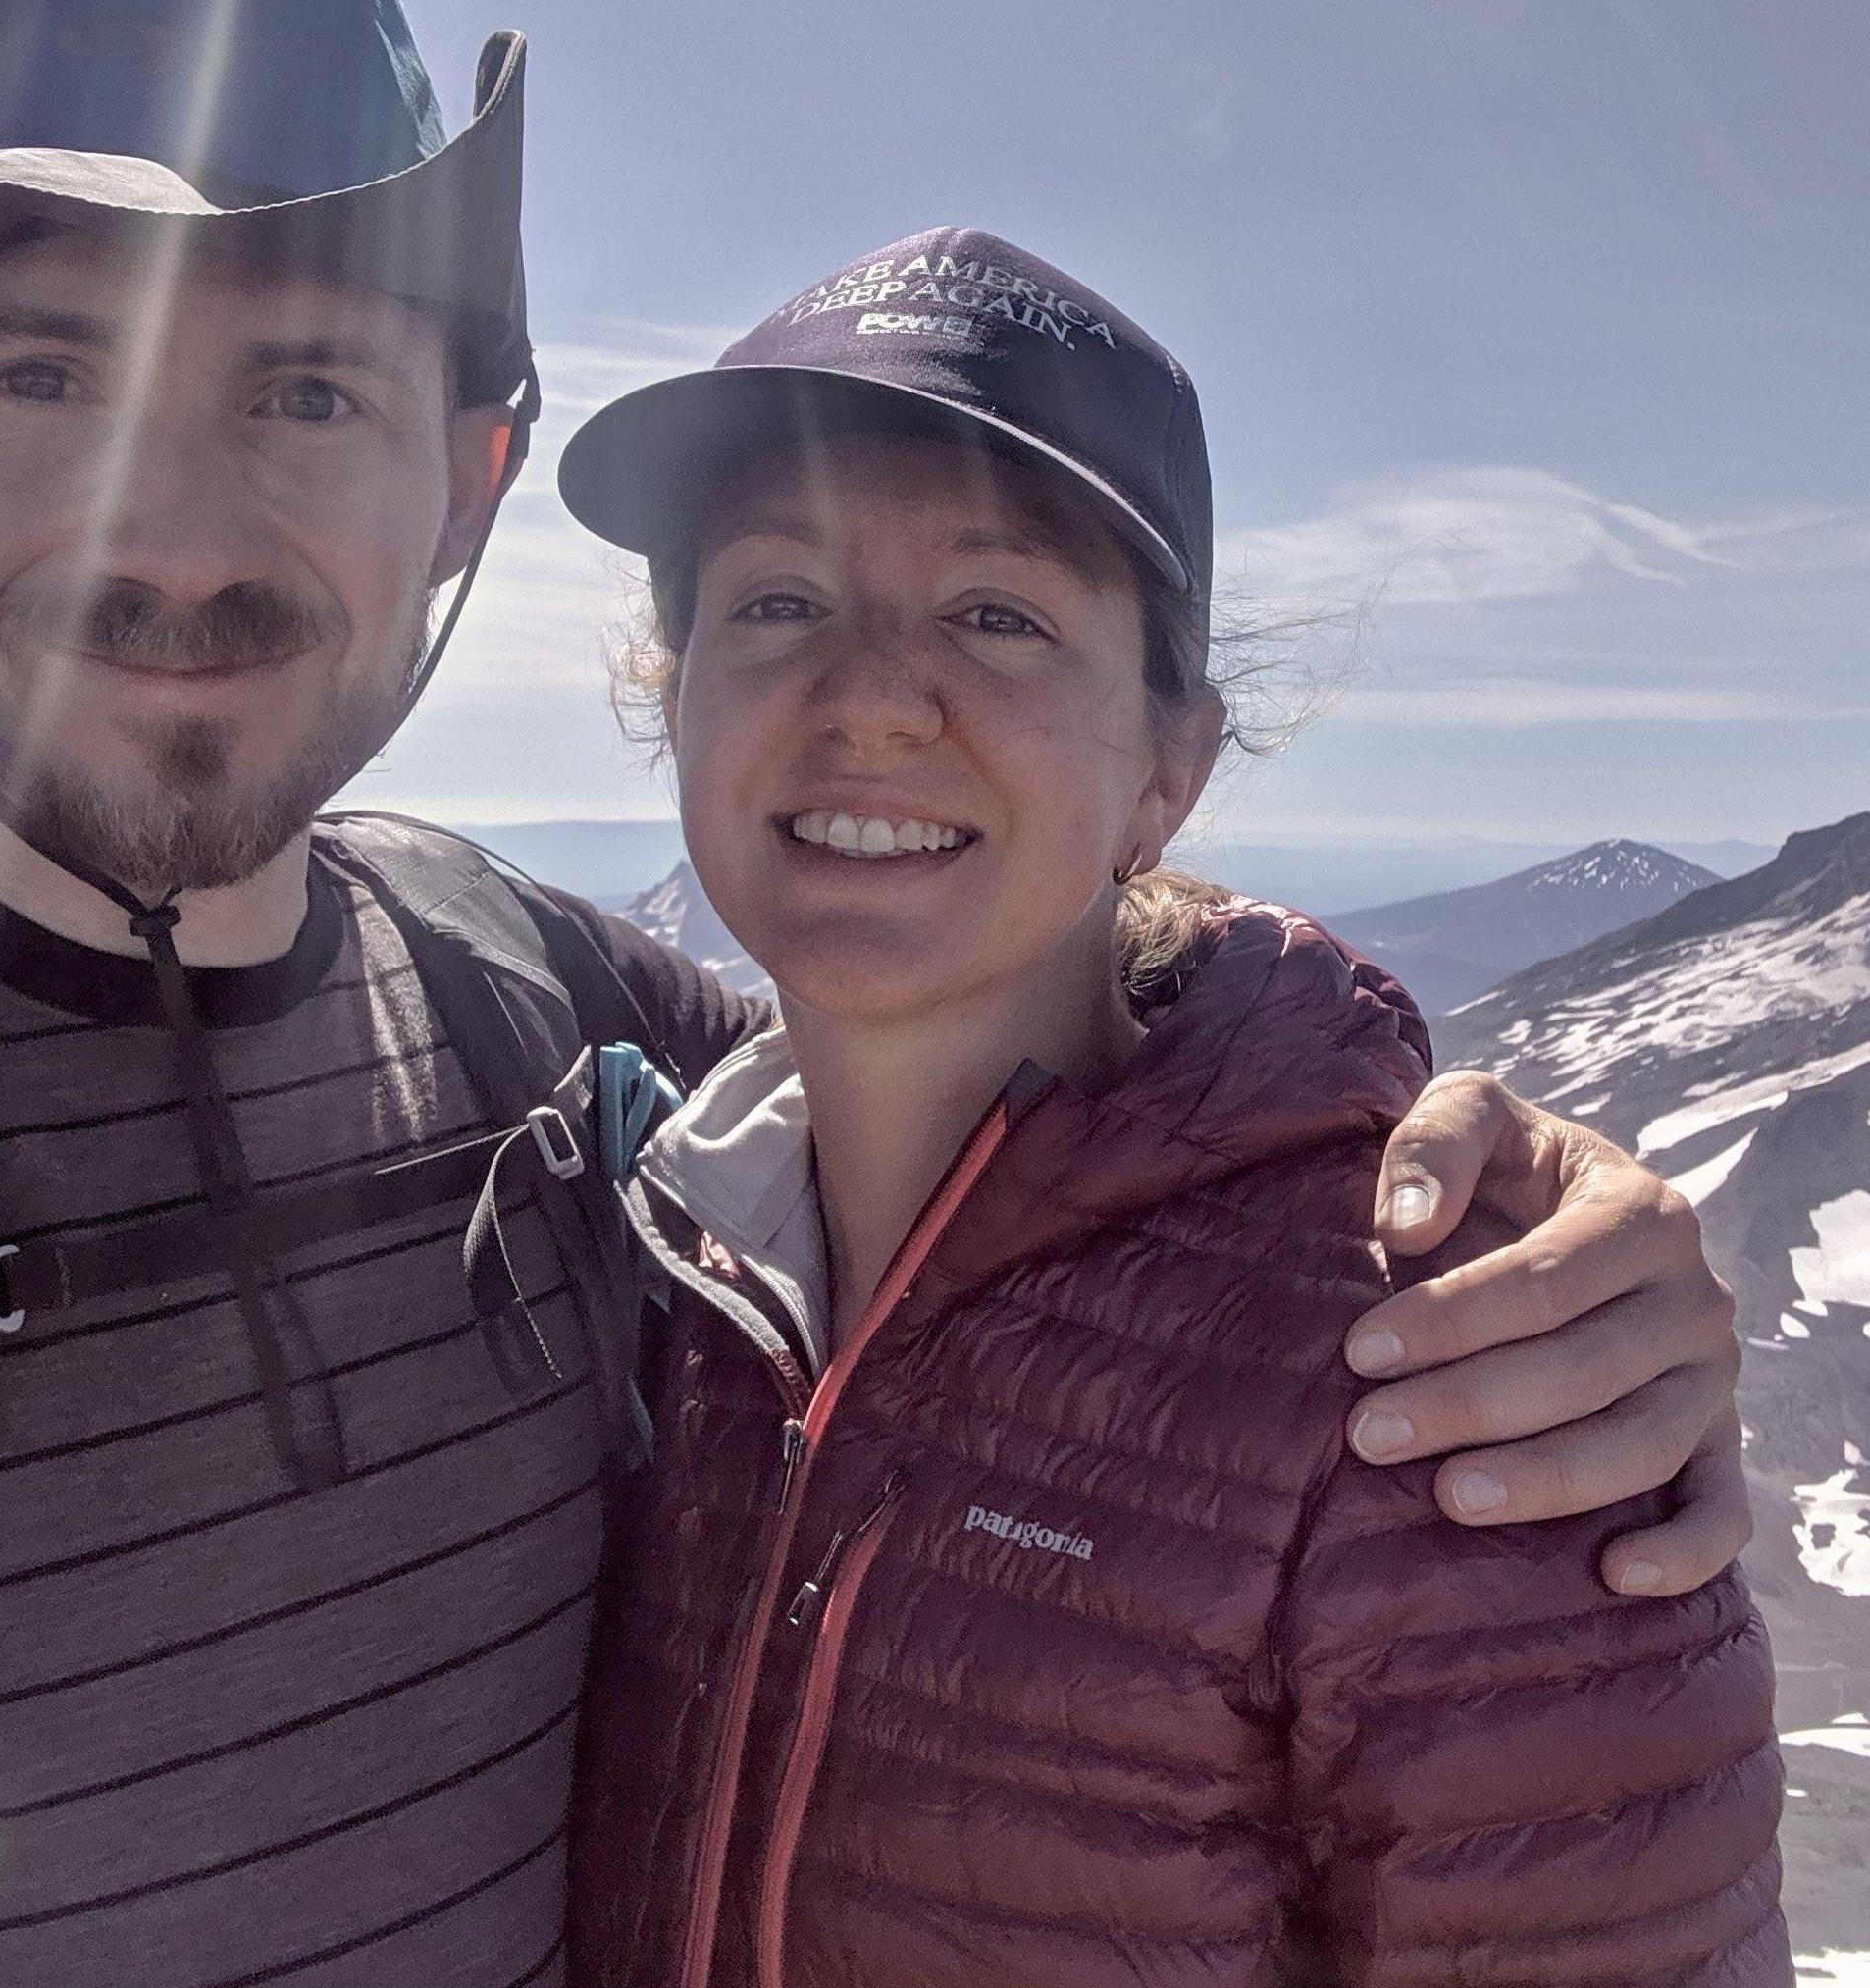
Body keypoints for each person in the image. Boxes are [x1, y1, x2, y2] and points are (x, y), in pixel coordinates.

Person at [0, 0, 1745, 1985]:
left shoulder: (534, 1016)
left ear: (464, 491)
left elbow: (1006, 1081)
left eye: (302, 392)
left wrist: (1523, 1218)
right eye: (40, 371)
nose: (166, 531)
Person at [556, 229, 1789, 1986]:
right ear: (673, 696)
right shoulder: (647, 1265)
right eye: (775, 601)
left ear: (1170, 764)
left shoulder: (1459, 1361)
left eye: (998, 614)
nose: (874, 697)